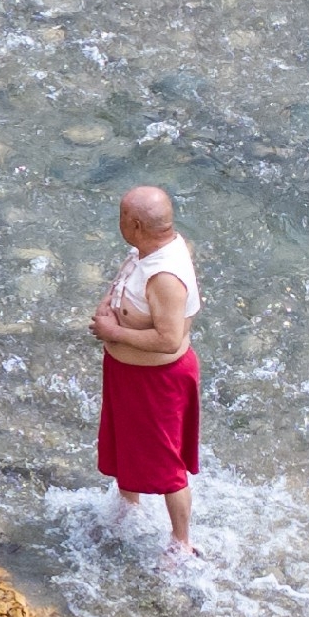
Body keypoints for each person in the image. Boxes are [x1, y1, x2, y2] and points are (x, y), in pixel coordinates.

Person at [89, 185, 202, 560]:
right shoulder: (147, 250)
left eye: (122, 216)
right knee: (126, 443)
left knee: (167, 463)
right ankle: (128, 508)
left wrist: (113, 332)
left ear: (135, 224)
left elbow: (169, 339)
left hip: (157, 381)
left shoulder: (166, 277)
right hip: (127, 374)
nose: (118, 222)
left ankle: (181, 542)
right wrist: (106, 306)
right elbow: (123, 283)